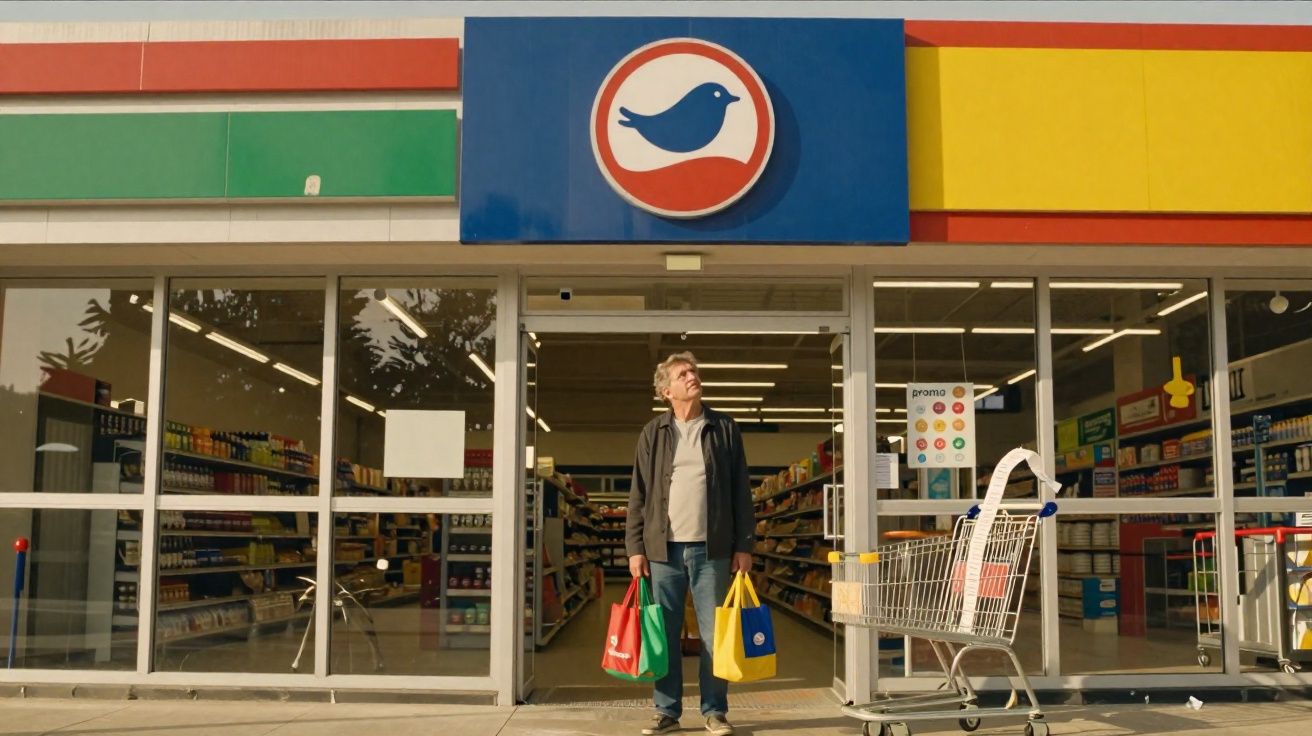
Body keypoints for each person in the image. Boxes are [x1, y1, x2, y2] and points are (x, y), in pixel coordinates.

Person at [625, 351, 754, 736]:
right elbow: (639, 494)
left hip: (711, 550)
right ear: (666, 390)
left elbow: (741, 492)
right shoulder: (654, 433)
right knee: (663, 634)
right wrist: (635, 548)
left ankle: (714, 711)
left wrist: (744, 544)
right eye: (683, 374)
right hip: (662, 551)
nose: (692, 376)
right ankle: (667, 712)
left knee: (715, 634)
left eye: (694, 371)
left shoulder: (724, 428)